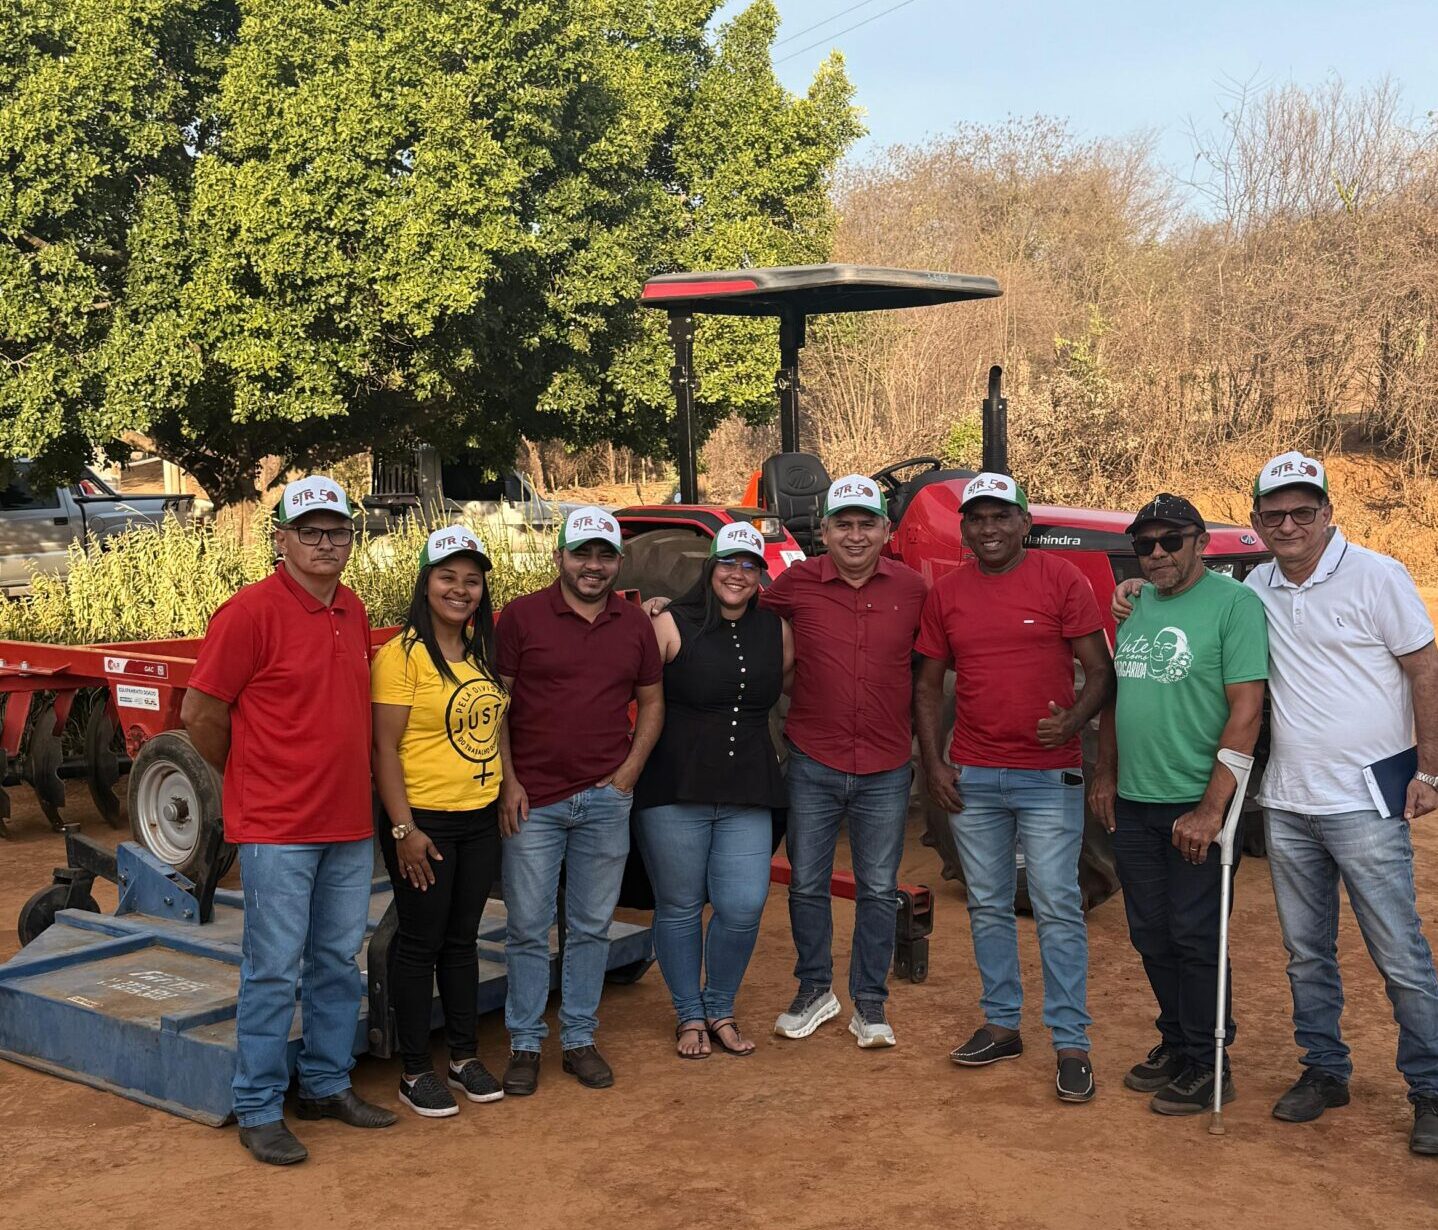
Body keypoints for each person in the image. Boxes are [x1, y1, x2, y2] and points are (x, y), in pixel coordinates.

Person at [182, 476, 396, 1166]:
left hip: (346, 823)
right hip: (278, 829)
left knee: (337, 961)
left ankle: (327, 1084)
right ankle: (257, 1105)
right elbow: (199, 716)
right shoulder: (248, 614)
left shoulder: (353, 609)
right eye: (311, 532)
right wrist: (249, 779)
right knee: (273, 969)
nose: (327, 543)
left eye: (338, 532)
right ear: (281, 541)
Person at [1245, 454, 1438, 1150]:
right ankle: (1325, 1069)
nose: (1290, 524)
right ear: (1258, 522)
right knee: (1305, 952)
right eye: (1275, 514)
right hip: (1290, 802)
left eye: (1303, 511)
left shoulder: (1377, 575)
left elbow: (1425, 667)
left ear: (1328, 513)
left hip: (1365, 802)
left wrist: (1431, 772)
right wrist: (1137, 588)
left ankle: (1432, 1089)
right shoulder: (1256, 585)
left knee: (1400, 953)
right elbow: (1191, 595)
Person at [914, 472, 1114, 1103]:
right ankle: (1002, 1024)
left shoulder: (1061, 580)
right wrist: (935, 765)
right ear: (964, 528)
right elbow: (925, 687)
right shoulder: (947, 594)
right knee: (987, 903)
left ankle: (1071, 1042)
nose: (989, 528)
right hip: (973, 774)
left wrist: (1074, 721)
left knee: (1057, 902)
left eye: (1002, 516)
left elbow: (1099, 671)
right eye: (977, 518)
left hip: (1048, 777)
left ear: (1025, 523)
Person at [1093, 493, 1268, 1116]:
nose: (1159, 553)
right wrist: (1106, 773)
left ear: (1201, 541)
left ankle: (1209, 1060)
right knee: (1150, 933)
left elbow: (1247, 710)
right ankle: (1177, 1041)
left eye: (1172, 540)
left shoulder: (1235, 605)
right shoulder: (1135, 605)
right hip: (1136, 803)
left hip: (1195, 801)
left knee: (1196, 937)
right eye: (1146, 544)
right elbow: (1119, 695)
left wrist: (1211, 809)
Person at [495, 506, 664, 1094]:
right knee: (527, 927)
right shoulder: (520, 619)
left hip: (604, 799)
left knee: (590, 926)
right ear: (559, 556)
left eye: (604, 555)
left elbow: (652, 701)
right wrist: (508, 782)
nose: (593, 566)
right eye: (582, 553)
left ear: (619, 561)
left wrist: (629, 773)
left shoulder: (634, 624)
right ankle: (523, 1043)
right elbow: (499, 708)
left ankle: (579, 1039)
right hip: (532, 802)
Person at [764, 475, 928, 1048]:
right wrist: (665, 603)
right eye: (843, 524)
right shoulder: (795, 584)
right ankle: (815, 990)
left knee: (879, 889)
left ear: (886, 529)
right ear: (824, 533)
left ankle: (871, 1004)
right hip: (813, 757)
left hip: (885, 765)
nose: (855, 535)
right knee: (806, 883)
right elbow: (728, 603)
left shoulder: (913, 588)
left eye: (866, 523)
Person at [634, 522, 793, 1059]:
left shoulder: (777, 630)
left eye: (750, 566)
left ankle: (720, 1006)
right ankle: (690, 1016)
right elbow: (625, 685)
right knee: (679, 905)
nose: (738, 574)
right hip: (675, 785)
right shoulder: (669, 622)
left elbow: (787, 686)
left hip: (747, 786)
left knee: (744, 904)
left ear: (760, 576)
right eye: (729, 563)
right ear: (710, 566)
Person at [372, 527, 508, 1117]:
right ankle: (414, 1069)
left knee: (462, 940)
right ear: (425, 584)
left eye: (471, 580)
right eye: (447, 577)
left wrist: (509, 784)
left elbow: (492, 723)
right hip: (423, 822)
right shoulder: (401, 656)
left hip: (478, 820)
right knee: (419, 942)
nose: (460, 589)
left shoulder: (480, 652)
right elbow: (383, 749)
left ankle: (461, 1055)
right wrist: (404, 830)